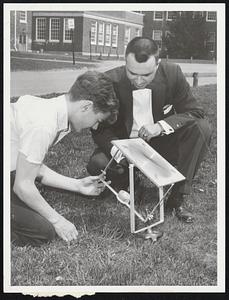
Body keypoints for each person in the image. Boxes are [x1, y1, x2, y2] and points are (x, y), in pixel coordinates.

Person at [87, 37, 212, 224]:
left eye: (146, 75)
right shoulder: (109, 81)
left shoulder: (172, 73)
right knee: (97, 163)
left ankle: (177, 196)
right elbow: (99, 129)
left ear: (157, 64)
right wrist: (118, 151)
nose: (138, 81)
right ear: (125, 62)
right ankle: (131, 184)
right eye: (132, 73)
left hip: (162, 144)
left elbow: (195, 112)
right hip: (125, 144)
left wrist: (161, 126)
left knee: (203, 128)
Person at [11, 71, 119, 246]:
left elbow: (31, 165)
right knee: (42, 231)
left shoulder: (56, 112)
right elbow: (23, 186)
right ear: (86, 106)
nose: (96, 125)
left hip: (10, 168)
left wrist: (77, 185)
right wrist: (58, 221)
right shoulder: (44, 124)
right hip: (13, 176)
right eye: (97, 119)